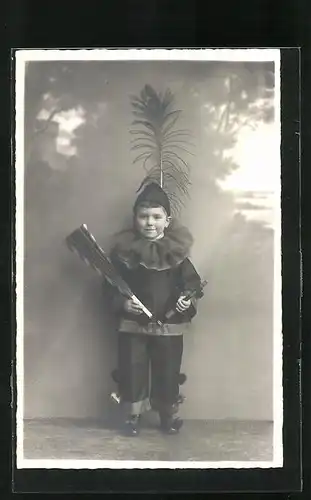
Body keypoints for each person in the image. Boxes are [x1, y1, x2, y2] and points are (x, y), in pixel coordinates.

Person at [105, 182, 203, 436]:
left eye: (157, 217)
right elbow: (109, 286)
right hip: (132, 326)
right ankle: (132, 417)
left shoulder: (178, 255)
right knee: (132, 369)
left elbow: (192, 284)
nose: (150, 223)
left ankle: (167, 417)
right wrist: (123, 303)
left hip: (168, 327)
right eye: (144, 216)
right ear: (135, 218)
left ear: (167, 220)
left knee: (168, 371)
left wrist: (186, 299)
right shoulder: (125, 254)